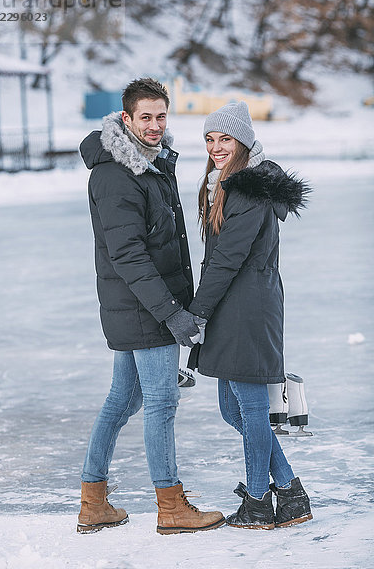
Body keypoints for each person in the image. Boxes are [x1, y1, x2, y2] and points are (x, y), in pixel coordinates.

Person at [78, 77, 224, 535]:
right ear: (127, 119)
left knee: (124, 398)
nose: (156, 125)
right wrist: (172, 313)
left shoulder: (149, 164)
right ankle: (171, 505)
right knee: (160, 402)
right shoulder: (116, 174)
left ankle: (93, 501)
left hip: (140, 304)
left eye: (162, 116)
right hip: (144, 307)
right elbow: (129, 255)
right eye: (146, 117)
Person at [187, 102, 313, 530]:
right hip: (233, 305)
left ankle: (259, 499)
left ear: (243, 142)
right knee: (232, 409)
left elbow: (227, 259)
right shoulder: (224, 183)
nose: (217, 147)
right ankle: (290, 492)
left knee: (251, 410)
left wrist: (196, 313)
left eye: (226, 139)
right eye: (210, 139)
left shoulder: (249, 188)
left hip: (247, 307)